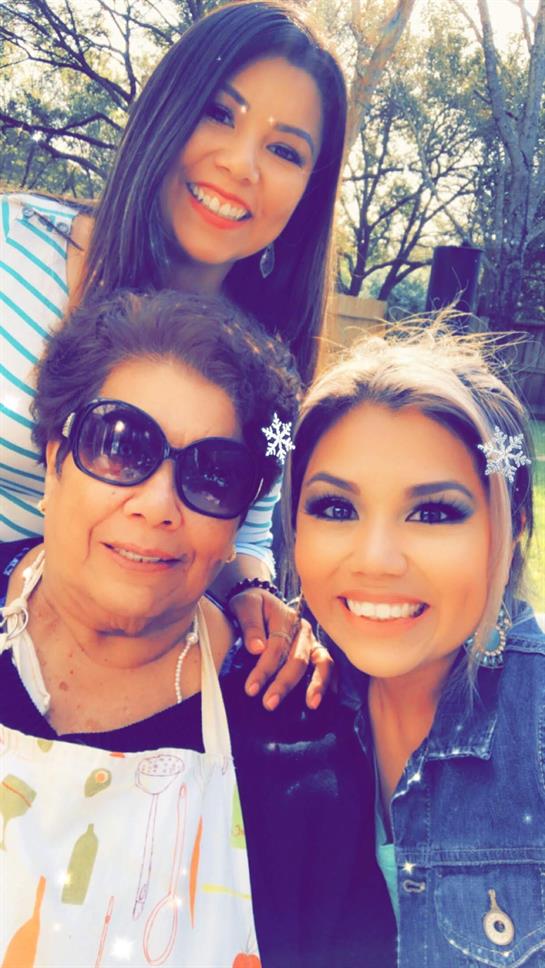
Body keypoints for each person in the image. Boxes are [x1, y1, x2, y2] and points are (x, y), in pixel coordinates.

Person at [0, 290, 394, 968]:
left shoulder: (298, 747)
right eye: (119, 446)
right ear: (52, 453)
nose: (157, 503)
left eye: (213, 475)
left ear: (239, 518)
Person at [0, 2, 347, 676]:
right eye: (219, 113)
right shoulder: (12, 251)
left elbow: (248, 520)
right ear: (167, 111)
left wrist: (250, 589)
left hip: (100, 679)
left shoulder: (260, 364)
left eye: (283, 150)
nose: (242, 164)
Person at [286, 322, 544, 966]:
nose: (375, 560)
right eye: (336, 509)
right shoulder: (280, 692)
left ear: (508, 526)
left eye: (433, 513)